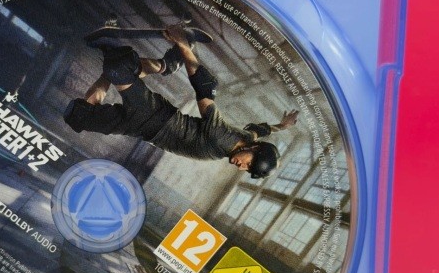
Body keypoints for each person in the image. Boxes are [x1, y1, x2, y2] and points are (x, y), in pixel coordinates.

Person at [64, 23, 297, 179]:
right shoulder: (222, 137)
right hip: (154, 116)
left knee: (77, 116)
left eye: (247, 169)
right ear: (253, 150)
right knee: (118, 68)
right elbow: (204, 88)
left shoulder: (248, 139)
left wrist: (282, 126)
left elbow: (259, 130)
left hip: (143, 130)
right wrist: (183, 44)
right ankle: (136, 57)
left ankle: (160, 63)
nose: (242, 167)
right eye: (249, 163)